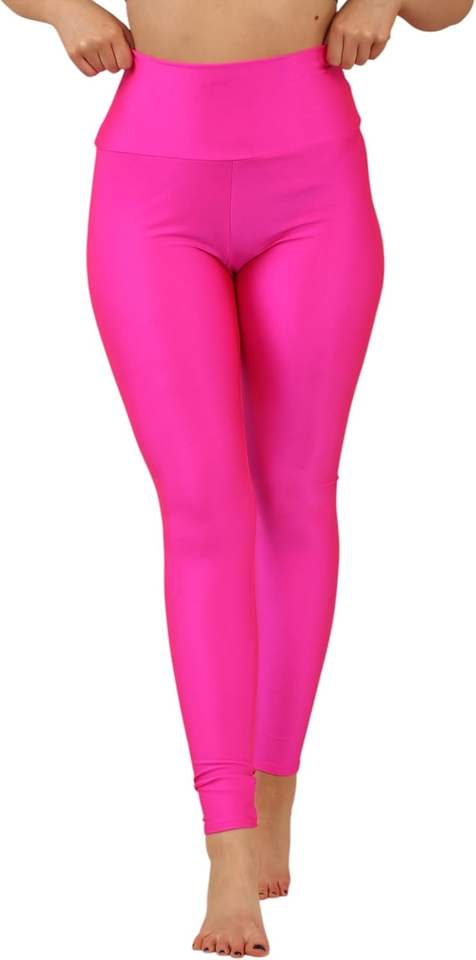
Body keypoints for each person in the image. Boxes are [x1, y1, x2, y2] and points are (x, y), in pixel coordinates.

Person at [2, 0, 472, 955]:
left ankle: (274, 788)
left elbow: (449, 7)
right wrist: (60, 8)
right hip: (154, 180)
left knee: (297, 496)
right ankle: (226, 846)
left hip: (313, 180)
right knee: (204, 511)